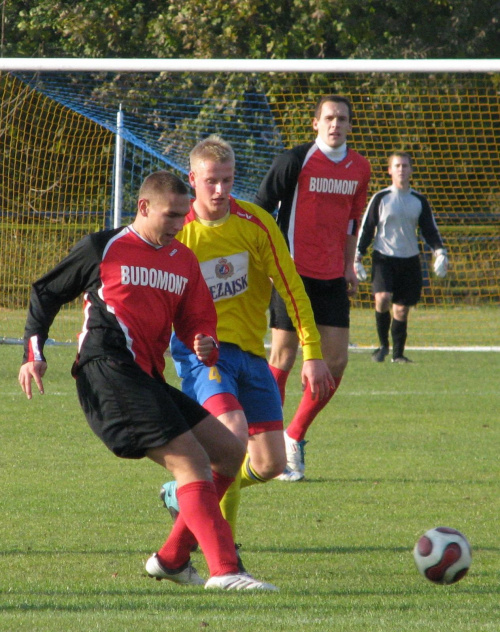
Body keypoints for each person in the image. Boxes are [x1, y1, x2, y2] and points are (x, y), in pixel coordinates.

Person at [18, 170, 277, 591]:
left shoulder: (184, 260)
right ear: (144, 207)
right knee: (190, 461)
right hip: (106, 370)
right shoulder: (105, 247)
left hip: (146, 376)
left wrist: (203, 341)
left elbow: (197, 320)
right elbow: (46, 292)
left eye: (183, 215)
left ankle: (173, 560)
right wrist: (34, 354)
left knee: (229, 452)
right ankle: (226, 571)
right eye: (171, 215)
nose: (179, 224)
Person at [160, 135, 333, 557]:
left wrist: (312, 352)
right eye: (211, 181)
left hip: (251, 354)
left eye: (228, 180)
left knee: (272, 464)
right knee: (232, 440)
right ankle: (225, 549)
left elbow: (292, 289)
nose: (220, 190)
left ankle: (181, 493)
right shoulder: (177, 232)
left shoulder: (256, 223)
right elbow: (153, 291)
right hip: (201, 355)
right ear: (192, 179)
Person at [255, 94, 371, 480]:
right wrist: (269, 262)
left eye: (342, 119)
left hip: (332, 277)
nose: (335, 125)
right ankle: (265, 442)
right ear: (315, 123)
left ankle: (294, 437)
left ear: (350, 125)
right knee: (283, 357)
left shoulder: (360, 167)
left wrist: (348, 265)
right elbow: (260, 208)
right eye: (329, 118)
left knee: (335, 362)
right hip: (292, 273)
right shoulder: (294, 160)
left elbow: (353, 222)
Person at [355, 151, 448, 363]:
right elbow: (367, 229)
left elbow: (429, 229)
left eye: (405, 166)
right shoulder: (381, 198)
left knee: (402, 309)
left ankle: (398, 354)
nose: (401, 170)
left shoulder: (419, 200)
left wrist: (440, 251)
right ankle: (382, 346)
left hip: (409, 259)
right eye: (397, 166)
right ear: (389, 170)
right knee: (383, 298)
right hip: (384, 257)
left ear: (411, 170)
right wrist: (357, 256)